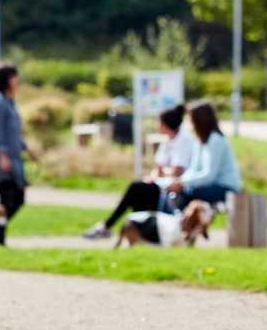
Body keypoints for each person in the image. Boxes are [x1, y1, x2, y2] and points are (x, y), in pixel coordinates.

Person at [82, 104, 196, 239]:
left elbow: (176, 171)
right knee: (138, 192)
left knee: (136, 189)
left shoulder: (184, 140)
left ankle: (108, 226)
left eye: (159, 123)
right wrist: (154, 175)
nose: (157, 126)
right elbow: (159, 167)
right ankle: (131, 233)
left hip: (174, 188)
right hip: (162, 183)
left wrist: (160, 173)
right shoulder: (168, 140)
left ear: (166, 125)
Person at [162, 100, 242, 213]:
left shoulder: (216, 140)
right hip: (212, 184)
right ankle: (174, 223)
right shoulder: (200, 141)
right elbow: (193, 169)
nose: (189, 123)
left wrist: (183, 184)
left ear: (200, 120)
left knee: (186, 193)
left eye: (191, 119)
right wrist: (179, 181)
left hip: (225, 187)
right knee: (173, 191)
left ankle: (179, 224)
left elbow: (209, 176)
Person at [0, 63, 32, 245]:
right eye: (14, 76)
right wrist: (2, 155)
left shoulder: (10, 101)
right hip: (1, 158)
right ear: (6, 79)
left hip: (14, 157)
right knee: (10, 197)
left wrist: (26, 148)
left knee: (15, 198)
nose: (17, 80)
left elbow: (13, 132)